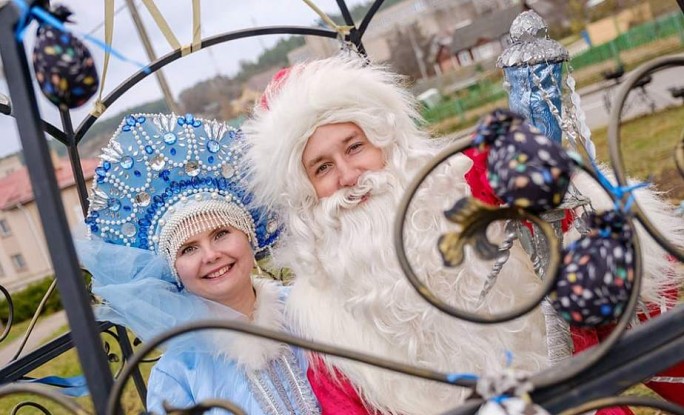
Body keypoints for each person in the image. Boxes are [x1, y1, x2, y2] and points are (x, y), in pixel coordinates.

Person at [243, 56, 684, 414]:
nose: (347, 176)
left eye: (355, 146)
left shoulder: (469, 181)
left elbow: (619, 288)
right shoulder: (320, 320)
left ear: (387, 142)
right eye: (321, 168)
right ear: (304, 194)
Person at [77, 113, 320, 415]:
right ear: (173, 269)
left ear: (248, 236)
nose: (210, 255)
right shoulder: (178, 373)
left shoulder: (310, 307)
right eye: (189, 248)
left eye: (221, 234)